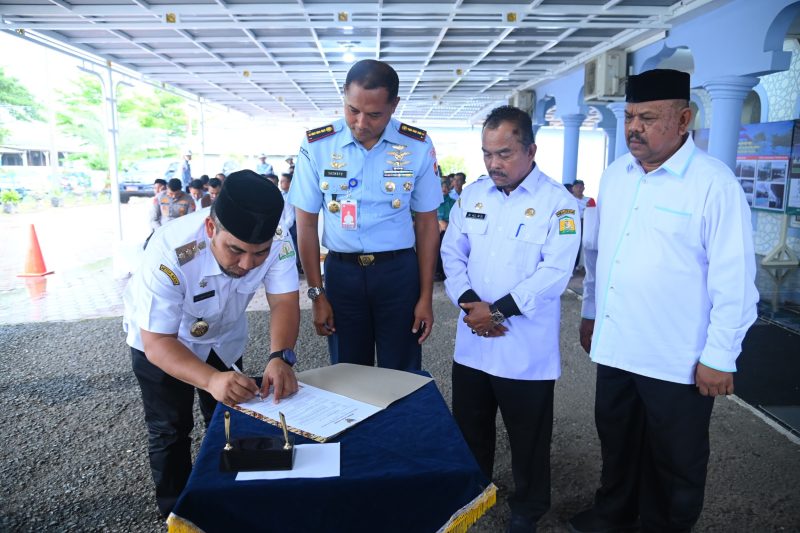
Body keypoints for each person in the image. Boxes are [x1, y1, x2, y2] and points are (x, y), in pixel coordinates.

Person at [570, 69, 759, 533]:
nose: (634, 127)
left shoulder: (713, 184)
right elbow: (598, 255)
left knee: (675, 460)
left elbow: (735, 281)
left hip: (677, 356)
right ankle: (613, 514)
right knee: (617, 441)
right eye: (630, 116)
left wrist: (720, 356)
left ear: (683, 120)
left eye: (648, 118)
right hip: (616, 347)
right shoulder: (616, 176)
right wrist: (591, 312)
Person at [124, 170, 301, 517]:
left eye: (259, 253)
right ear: (210, 230)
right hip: (163, 344)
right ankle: (178, 514)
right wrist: (210, 379)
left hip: (223, 339)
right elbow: (158, 341)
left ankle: (226, 501)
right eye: (236, 250)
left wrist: (281, 356)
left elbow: (284, 301)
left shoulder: (278, 238)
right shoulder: (171, 249)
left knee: (227, 420)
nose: (248, 264)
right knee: (170, 430)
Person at [441, 105, 580, 533]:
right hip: (474, 342)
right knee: (471, 428)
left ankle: (530, 504)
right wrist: (470, 305)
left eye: (504, 154)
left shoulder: (559, 204)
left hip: (524, 349)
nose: (494, 164)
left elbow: (554, 274)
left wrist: (496, 311)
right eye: (487, 154)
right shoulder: (473, 195)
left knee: (529, 437)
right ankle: (474, 489)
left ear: (530, 149)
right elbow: (452, 254)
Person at [288, 58, 441, 371]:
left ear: (394, 105)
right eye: (352, 110)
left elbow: (427, 224)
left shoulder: (417, 145)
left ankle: (398, 423)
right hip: (342, 276)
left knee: (401, 374)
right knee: (346, 373)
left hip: (399, 274)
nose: (360, 122)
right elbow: (305, 224)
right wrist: (317, 294)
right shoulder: (317, 144)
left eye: (374, 114)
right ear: (344, 95)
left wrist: (426, 296)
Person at [435, 177, 456, 281]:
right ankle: (437, 271)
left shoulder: (454, 202)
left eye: (446, 186)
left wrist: (447, 225)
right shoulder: (432, 202)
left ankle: (446, 271)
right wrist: (439, 221)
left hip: (450, 230)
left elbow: (457, 218)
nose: (443, 188)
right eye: (441, 186)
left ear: (449, 188)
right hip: (435, 230)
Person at [571, 179, 593, 271]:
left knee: (585, 245)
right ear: (573, 188)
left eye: (581, 186)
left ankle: (582, 266)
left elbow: (593, 213)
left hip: (585, 224)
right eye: (577, 187)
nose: (579, 189)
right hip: (572, 223)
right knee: (572, 245)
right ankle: (572, 267)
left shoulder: (589, 200)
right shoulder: (569, 198)